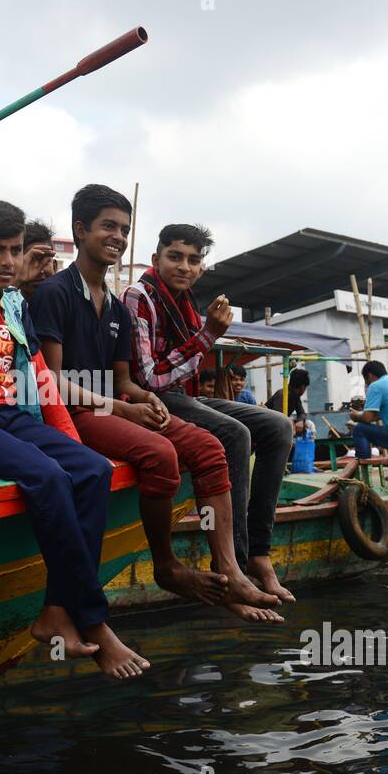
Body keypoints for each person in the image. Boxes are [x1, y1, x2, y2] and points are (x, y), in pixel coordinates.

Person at [0, 197, 148, 679]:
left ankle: (56, 611)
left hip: (10, 414)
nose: (9, 262)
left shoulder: (15, 299)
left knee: (92, 469)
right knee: (49, 478)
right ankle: (96, 624)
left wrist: (70, 439)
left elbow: (38, 376)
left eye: (15, 250)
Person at [31, 191, 283, 624]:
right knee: (162, 453)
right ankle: (166, 566)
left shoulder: (112, 305)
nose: (117, 236)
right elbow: (49, 382)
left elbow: (129, 378)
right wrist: (125, 405)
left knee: (208, 448)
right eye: (108, 226)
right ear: (80, 231)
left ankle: (229, 568)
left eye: (124, 229)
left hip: (114, 403)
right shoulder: (56, 293)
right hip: (74, 412)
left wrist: (143, 399)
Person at [122, 222, 296, 603]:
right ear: (156, 259)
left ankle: (259, 555)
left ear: (201, 267)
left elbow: (185, 370)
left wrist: (206, 333)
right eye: (175, 257)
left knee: (279, 426)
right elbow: (149, 379)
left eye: (193, 260)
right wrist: (209, 335)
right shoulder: (140, 297)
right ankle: (229, 564)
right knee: (235, 434)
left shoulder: (185, 302)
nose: (184, 266)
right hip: (148, 398)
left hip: (183, 397)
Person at [10, 218, 58, 300]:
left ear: (54, 266)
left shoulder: (68, 303)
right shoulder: (4, 303)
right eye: (31, 261)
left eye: (45, 262)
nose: (39, 271)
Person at [267, 367, 310, 434]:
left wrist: (300, 421)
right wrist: (292, 423)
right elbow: (277, 418)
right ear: (302, 387)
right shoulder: (282, 394)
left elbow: (301, 413)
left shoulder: (295, 396)